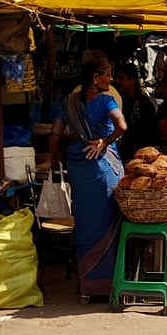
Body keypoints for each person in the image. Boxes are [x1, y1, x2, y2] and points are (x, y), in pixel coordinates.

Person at [49, 59, 128, 301]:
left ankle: (88, 286)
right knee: (108, 222)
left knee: (84, 224)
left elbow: (55, 134)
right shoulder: (106, 101)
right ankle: (109, 284)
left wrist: (54, 160)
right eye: (107, 75)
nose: (110, 80)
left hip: (78, 169)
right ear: (95, 78)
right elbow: (122, 125)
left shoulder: (68, 103)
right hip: (102, 169)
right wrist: (105, 141)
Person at [114, 64, 159, 160]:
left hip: (142, 153)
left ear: (132, 80)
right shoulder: (119, 100)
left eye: (122, 78)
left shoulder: (144, 103)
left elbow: (150, 131)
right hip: (125, 152)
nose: (117, 81)